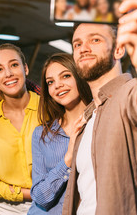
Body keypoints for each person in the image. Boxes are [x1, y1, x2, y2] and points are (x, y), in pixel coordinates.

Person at [62, 0, 137, 215]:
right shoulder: (90, 114)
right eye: (77, 44)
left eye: (95, 40)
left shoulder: (130, 95)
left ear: (118, 50)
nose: (83, 48)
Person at [0, 43, 40, 215]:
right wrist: (28, 194)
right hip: (5, 210)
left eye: (14, 65)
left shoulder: (49, 110)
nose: (8, 74)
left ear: (25, 69)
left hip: (52, 207)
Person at [28, 53, 92, 214]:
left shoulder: (99, 124)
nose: (58, 85)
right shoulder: (42, 134)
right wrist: (67, 160)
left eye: (66, 76)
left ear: (79, 76)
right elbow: (40, 197)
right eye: (51, 82)